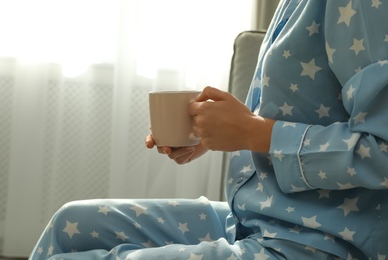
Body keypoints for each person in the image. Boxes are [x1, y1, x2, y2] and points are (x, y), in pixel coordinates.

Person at [30, 0, 388, 259]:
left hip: (318, 242)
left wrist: (252, 132)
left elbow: (381, 150)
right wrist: (220, 130)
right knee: (69, 223)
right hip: (255, 218)